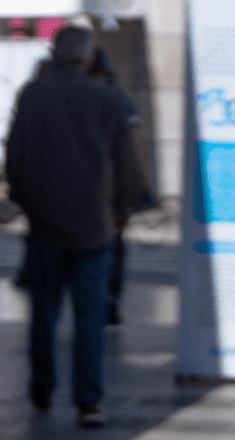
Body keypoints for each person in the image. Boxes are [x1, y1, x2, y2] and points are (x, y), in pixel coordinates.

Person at [5, 24, 144, 428]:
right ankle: (89, 400)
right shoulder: (108, 99)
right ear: (87, 56)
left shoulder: (34, 94)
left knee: (43, 312)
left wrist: (27, 203)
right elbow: (128, 166)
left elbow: (16, 156)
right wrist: (120, 213)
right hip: (95, 225)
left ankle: (42, 389)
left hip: (46, 223)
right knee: (90, 315)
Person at [86, 46, 148, 326]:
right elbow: (135, 144)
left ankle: (93, 300)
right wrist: (140, 184)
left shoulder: (78, 97)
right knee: (115, 245)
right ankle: (109, 300)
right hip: (112, 187)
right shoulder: (121, 100)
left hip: (86, 186)